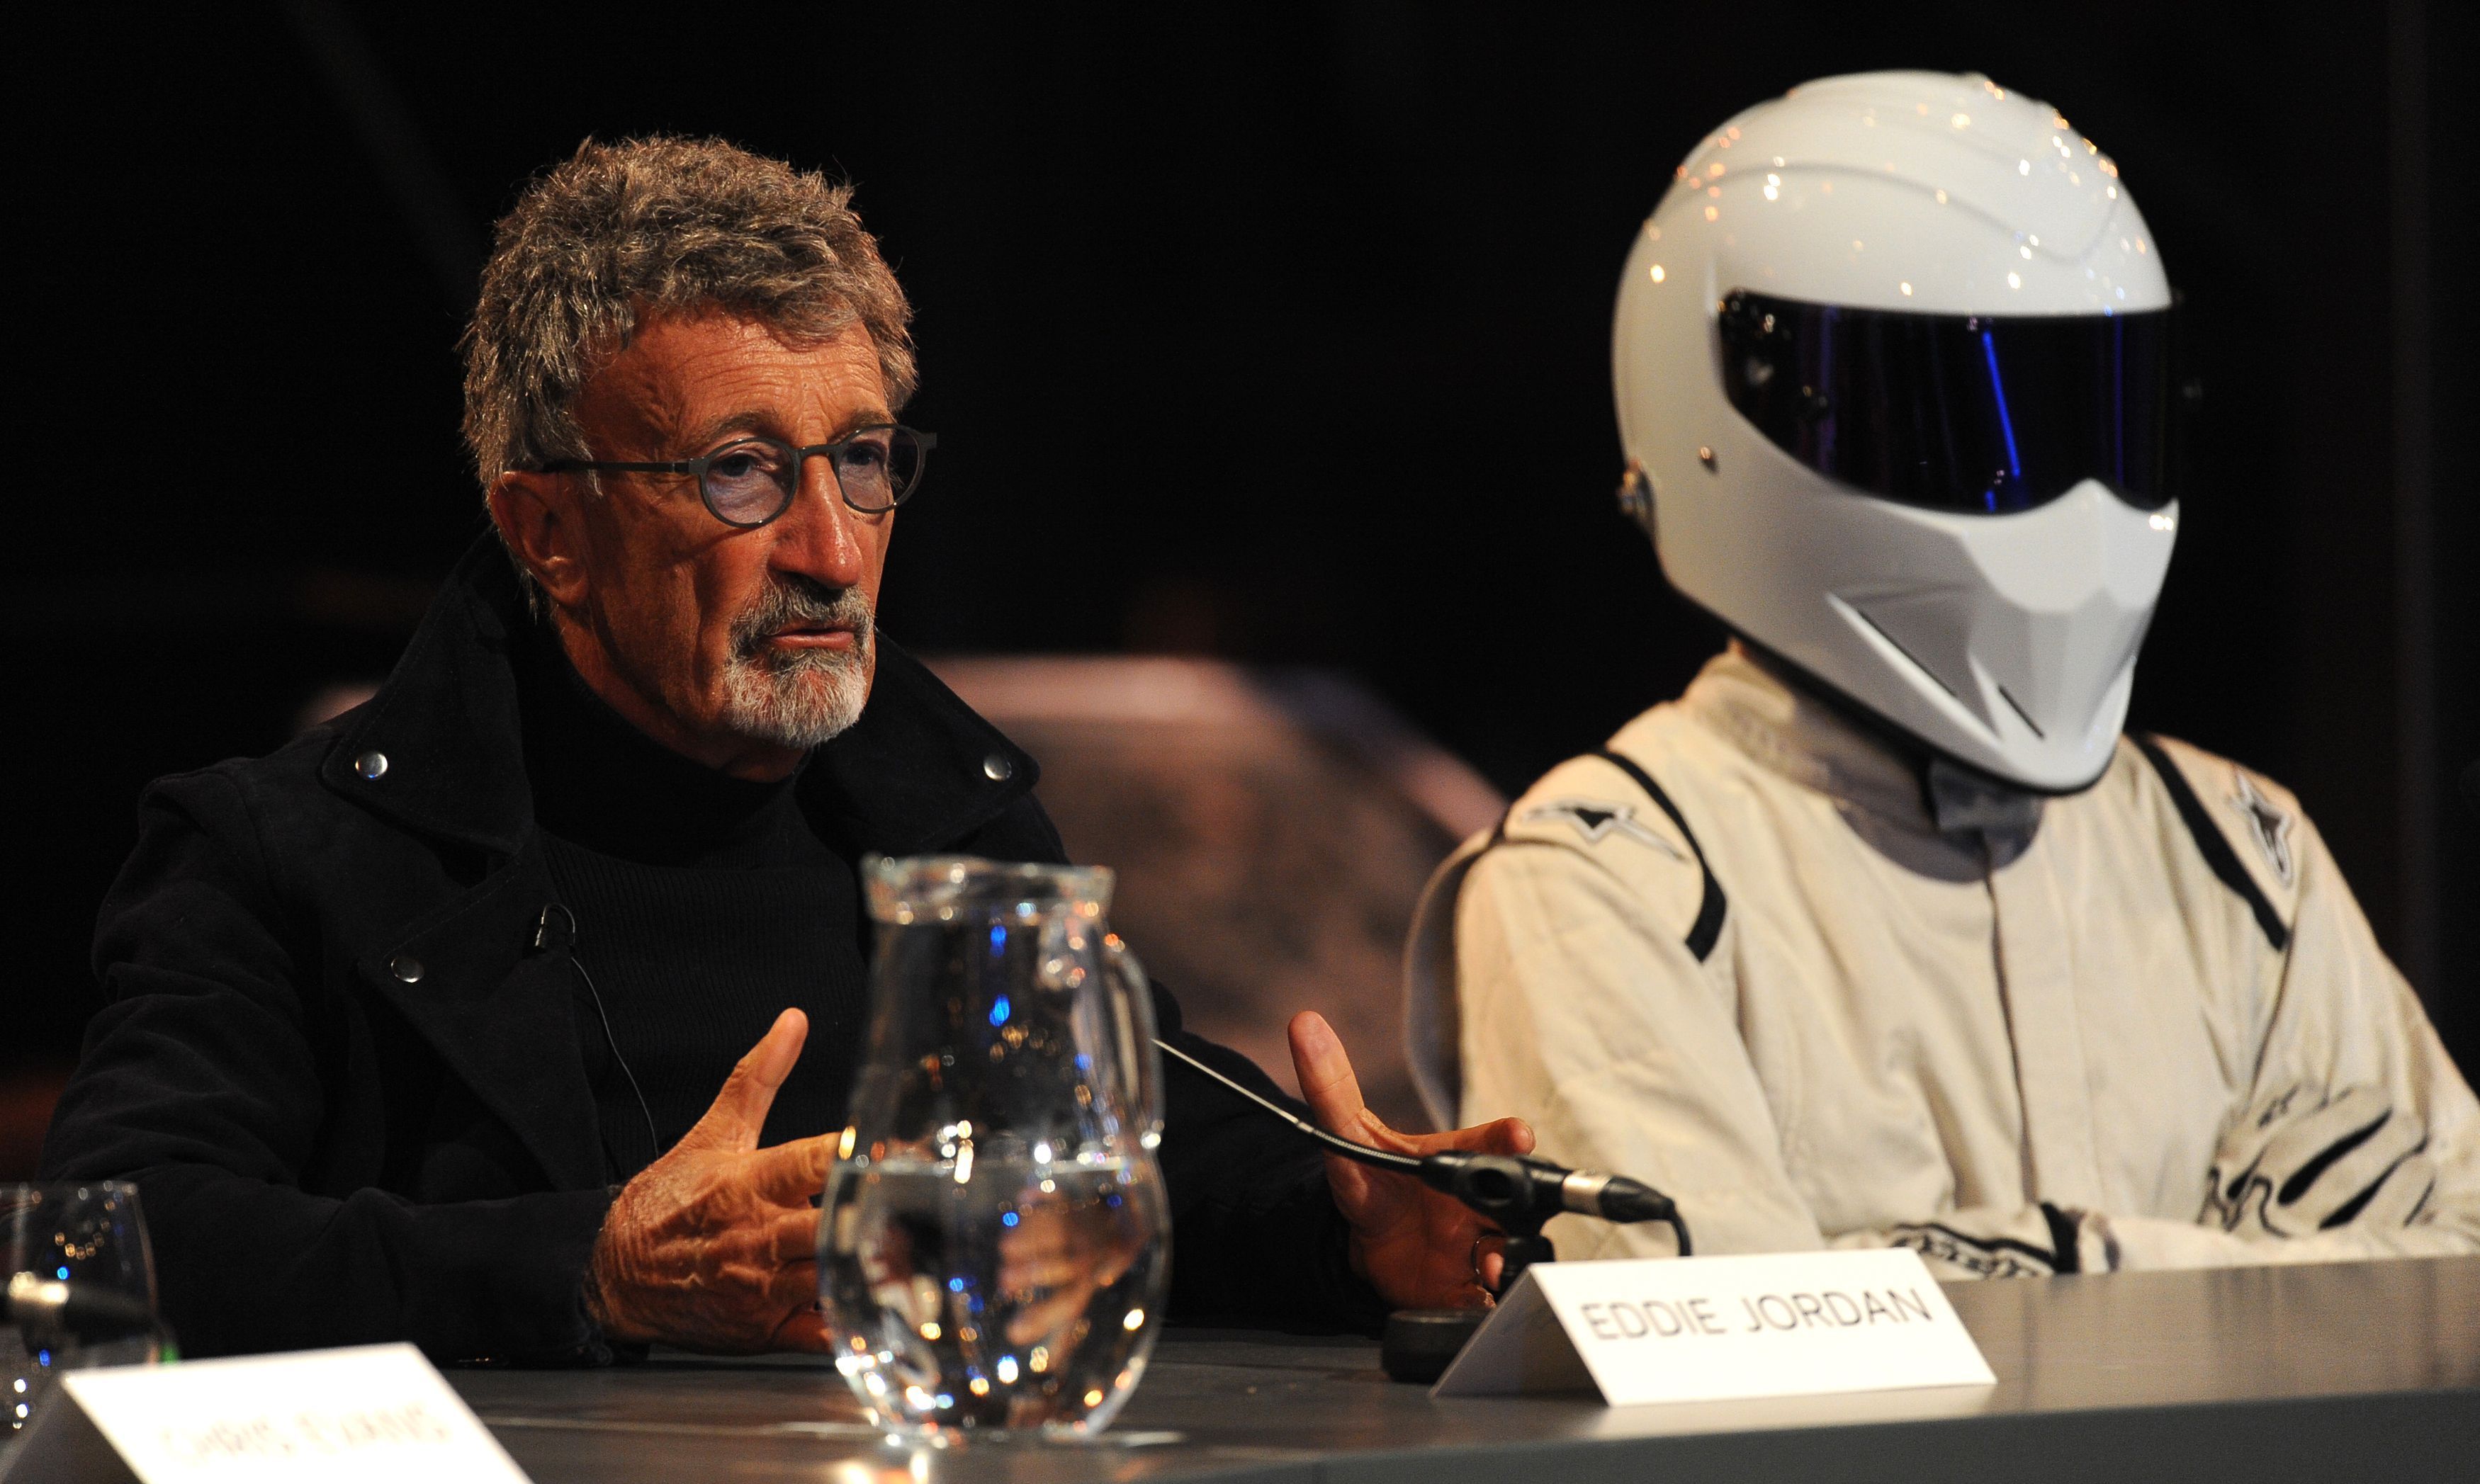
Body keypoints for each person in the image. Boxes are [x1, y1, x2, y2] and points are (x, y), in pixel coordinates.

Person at [40, 135, 1531, 1363]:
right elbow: (110, 1244)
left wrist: (1349, 1228)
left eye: (864, 460)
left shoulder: (951, 823)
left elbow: (1149, 1159)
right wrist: (592, 1267)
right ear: (546, 530)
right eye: (739, 470)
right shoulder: (281, 857)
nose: (830, 548)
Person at [1405, 72, 2480, 1278]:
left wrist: (1953, 1266)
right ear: (1732, 406)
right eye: (1962, 425)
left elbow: (2447, 1293)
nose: (2066, 496)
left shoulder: (2234, 850)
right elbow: (1722, 1363)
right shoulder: (1609, 877)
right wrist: (2203, 1268)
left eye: (2095, 409)